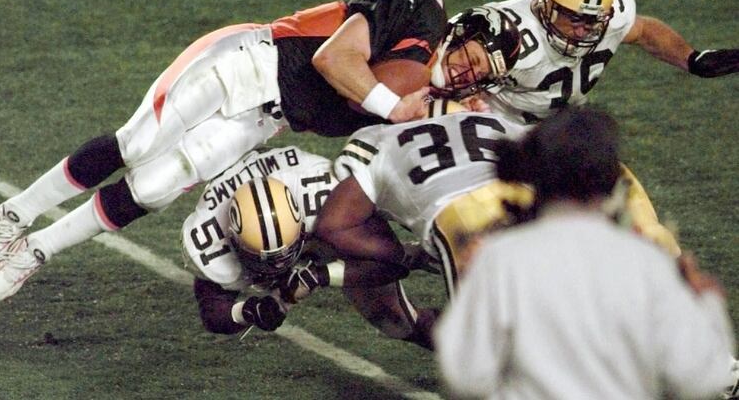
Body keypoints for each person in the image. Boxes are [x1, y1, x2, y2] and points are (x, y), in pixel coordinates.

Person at [0, 0, 510, 301]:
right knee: (136, 144)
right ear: (457, 34)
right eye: (467, 56)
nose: (464, 72)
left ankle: (38, 248)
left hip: (265, 118)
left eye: (476, 73)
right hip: (249, 60)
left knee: (154, 187)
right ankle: (17, 212)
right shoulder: (419, 8)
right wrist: (407, 108)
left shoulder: (431, 106)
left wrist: (439, 114)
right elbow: (334, 60)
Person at [434, 108, 736, 400]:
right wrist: (707, 302)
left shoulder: (500, 259)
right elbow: (701, 379)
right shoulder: (646, 261)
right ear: (610, 179)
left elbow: (466, 375)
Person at [468, 0, 739, 254]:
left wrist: (691, 59)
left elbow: (644, 31)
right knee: (503, 243)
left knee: (644, 232)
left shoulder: (609, 17)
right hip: (504, 145)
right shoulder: (508, 36)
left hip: (567, 139)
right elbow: (447, 79)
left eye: (593, 21)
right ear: (548, 5)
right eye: (575, 19)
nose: (585, 30)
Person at [313, 93, 534, 347]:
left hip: (460, 217)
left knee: (491, 347)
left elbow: (333, 225)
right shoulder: (498, 123)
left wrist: (400, 256)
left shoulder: (381, 142)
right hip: (527, 204)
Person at [181, 145, 428, 345]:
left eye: (284, 254)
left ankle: (426, 253)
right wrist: (249, 310)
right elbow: (212, 311)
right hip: (294, 222)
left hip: (320, 225)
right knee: (397, 326)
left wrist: (318, 276)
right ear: (232, 235)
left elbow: (392, 263)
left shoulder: (326, 200)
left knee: (397, 319)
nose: (279, 265)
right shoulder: (210, 234)